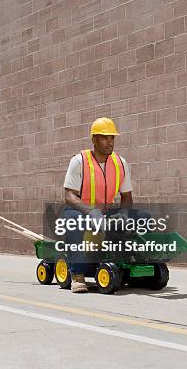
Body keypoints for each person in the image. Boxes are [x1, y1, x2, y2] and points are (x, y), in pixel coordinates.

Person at [62, 117, 134, 293]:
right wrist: (90, 211)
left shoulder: (120, 163)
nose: (110, 142)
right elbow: (69, 195)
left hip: (106, 211)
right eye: (104, 138)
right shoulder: (79, 161)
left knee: (143, 217)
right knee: (74, 221)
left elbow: (127, 196)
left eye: (112, 138)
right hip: (80, 211)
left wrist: (124, 213)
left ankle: (132, 263)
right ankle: (77, 275)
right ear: (94, 139)